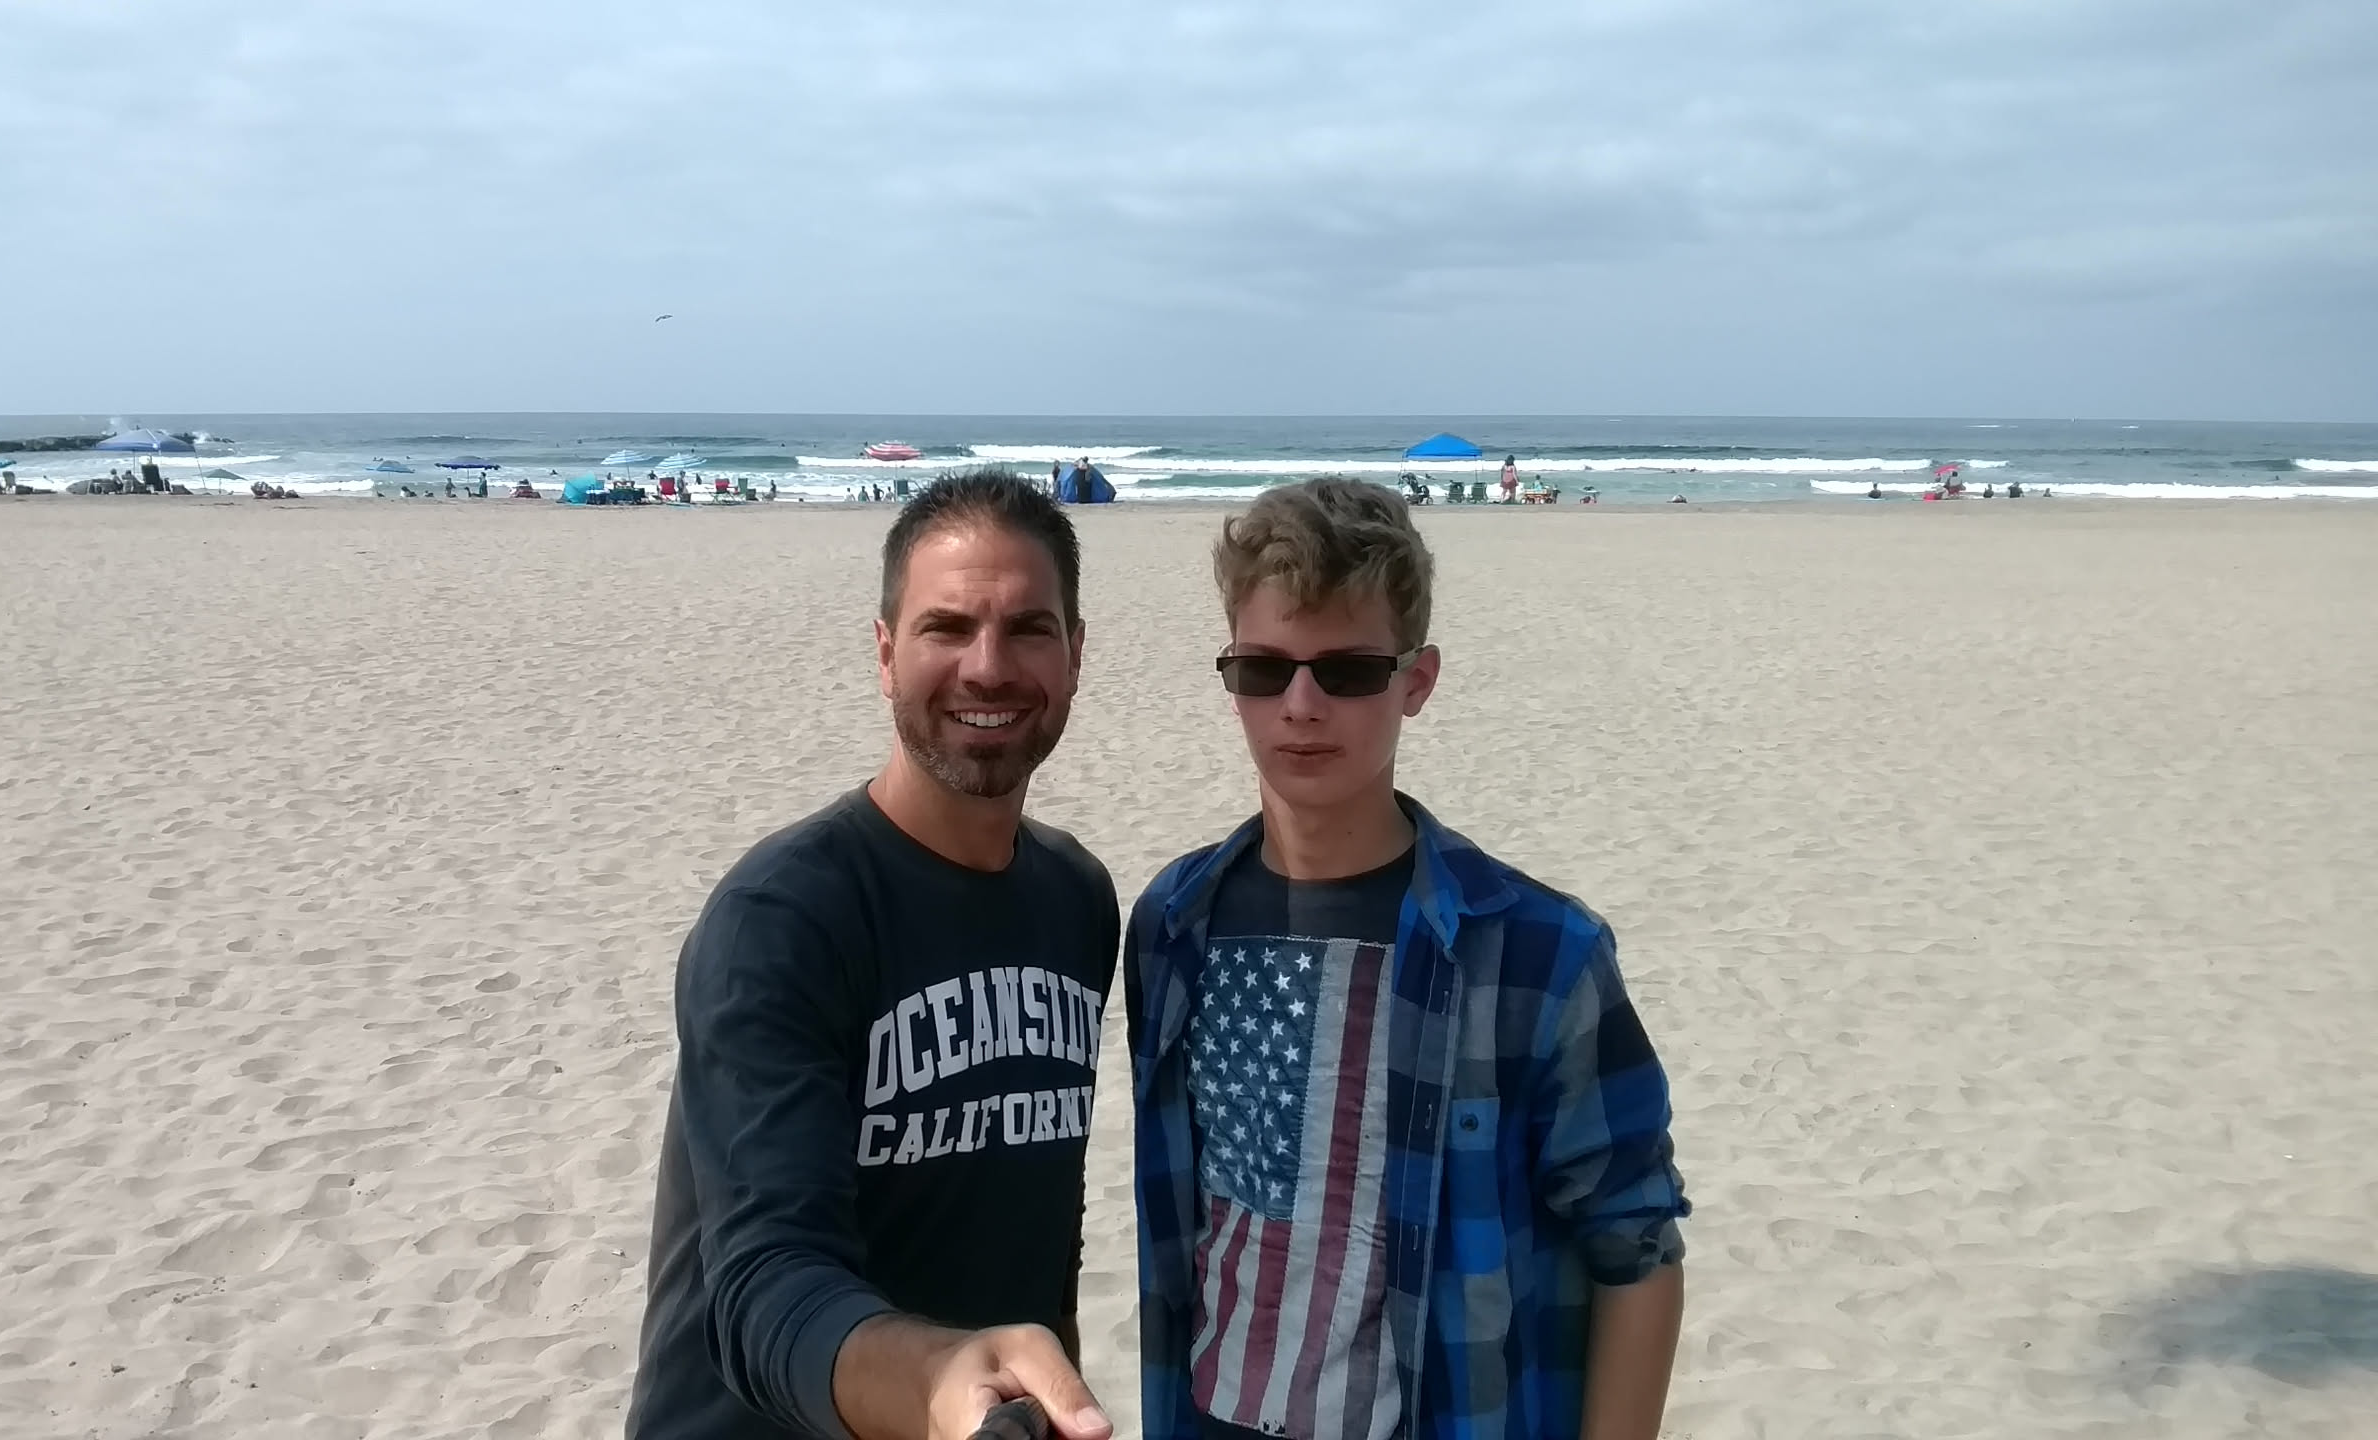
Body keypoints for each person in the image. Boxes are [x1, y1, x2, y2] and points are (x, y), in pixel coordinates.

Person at [1124, 478, 1690, 1440]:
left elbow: (1636, 1248)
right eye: (1264, 670)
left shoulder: (1540, 954)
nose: (1301, 706)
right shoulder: (1173, 924)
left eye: (1347, 672)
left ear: (1416, 681)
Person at [629, 469, 1120, 1440]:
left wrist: (1039, 1381)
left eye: (1028, 628)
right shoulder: (783, 920)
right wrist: (938, 1377)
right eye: (947, 628)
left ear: (1074, 654)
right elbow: (765, 1283)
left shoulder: (1077, 902)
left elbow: (1039, 1229)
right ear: (887, 654)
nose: (988, 667)